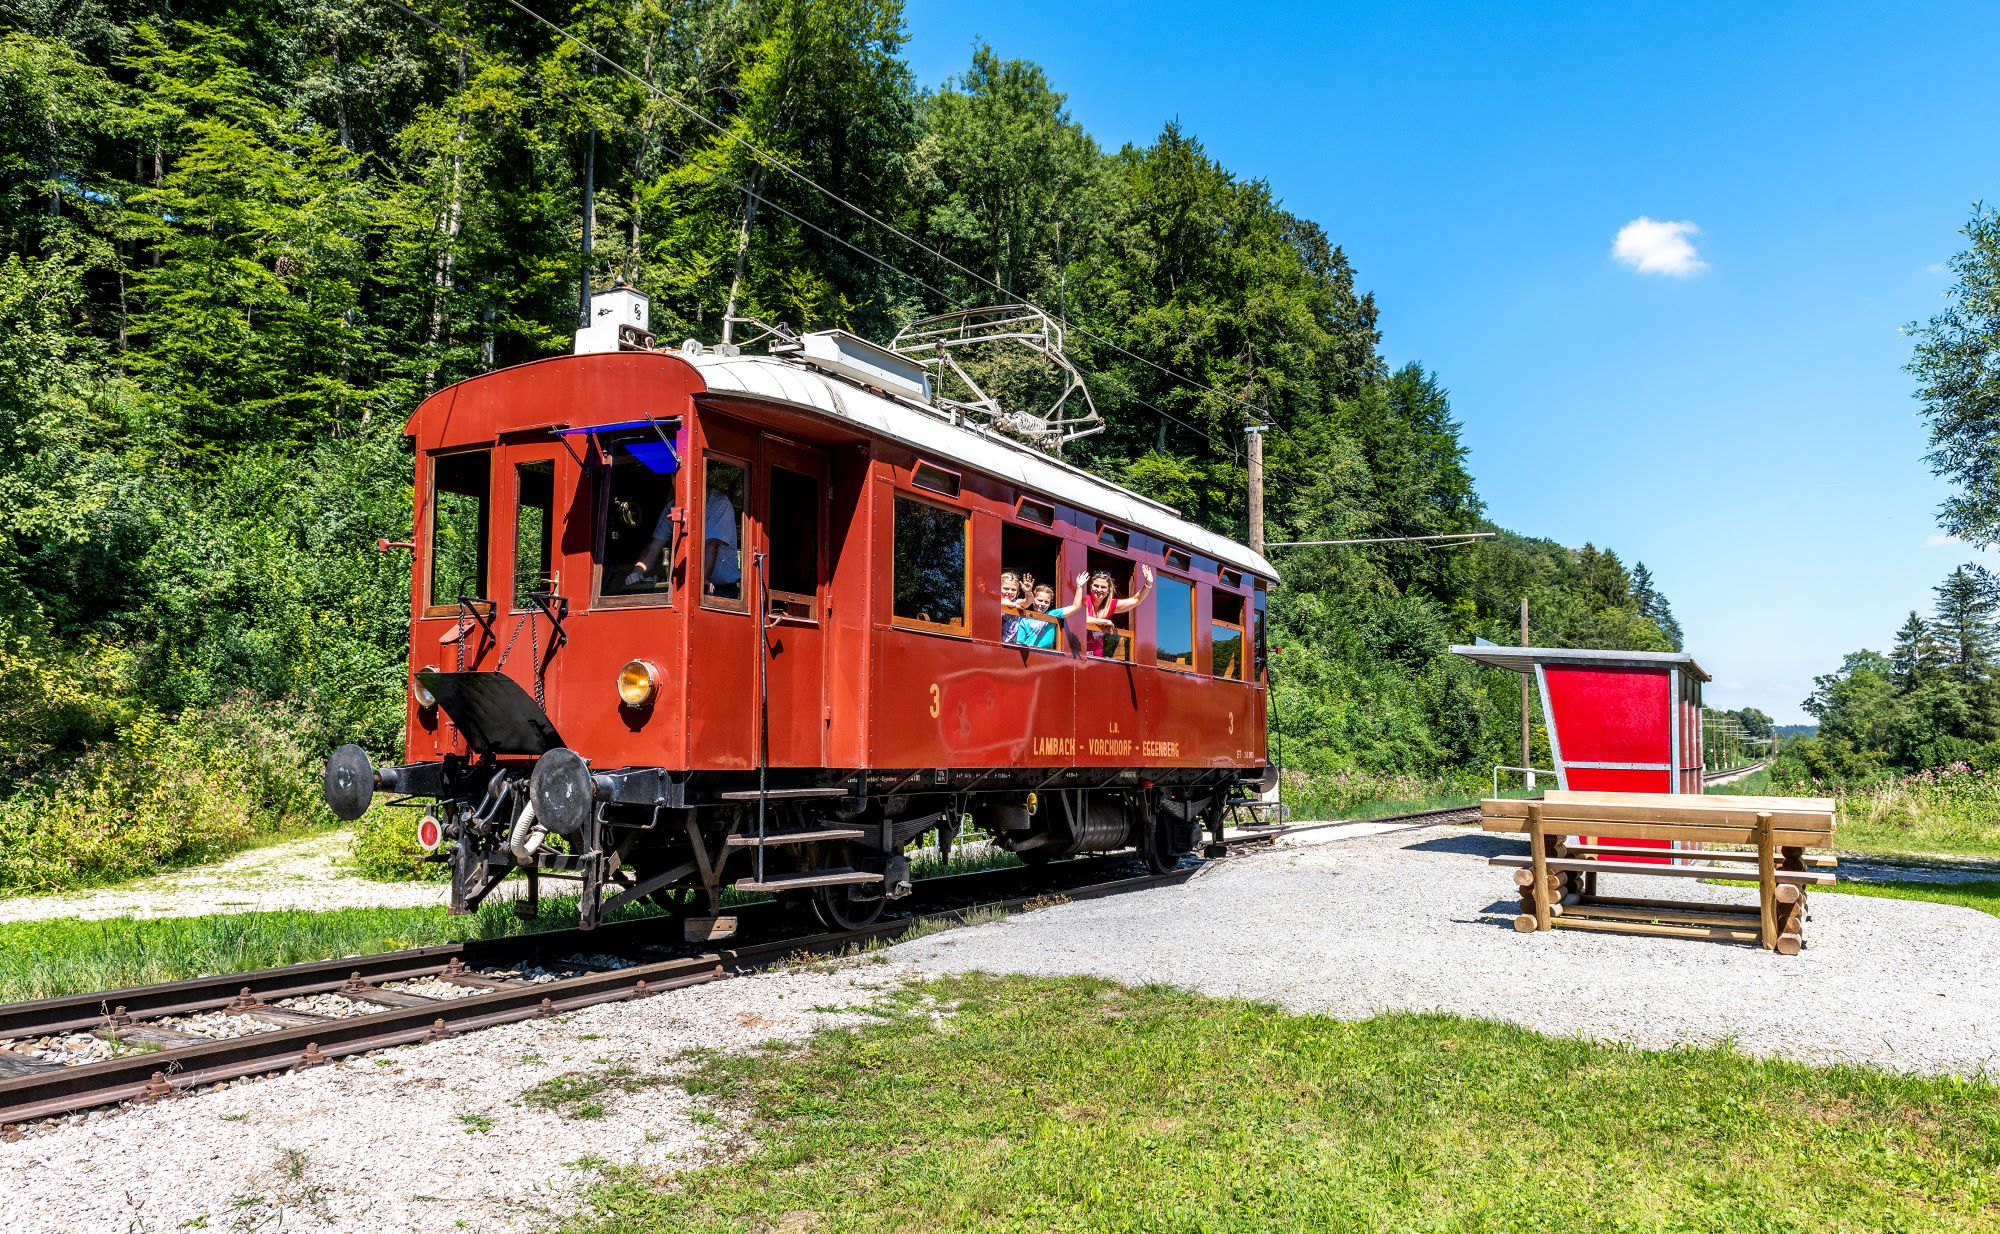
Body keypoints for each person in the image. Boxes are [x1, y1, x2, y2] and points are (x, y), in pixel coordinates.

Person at [1078, 563, 1154, 658]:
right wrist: (1104, 621)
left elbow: (1136, 600)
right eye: (1096, 586)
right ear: (1090, 586)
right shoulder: (1084, 600)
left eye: (1103, 587)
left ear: (1109, 589)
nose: (1099, 589)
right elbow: (1082, 619)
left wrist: (1148, 584)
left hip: (1097, 657)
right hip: (1078, 653)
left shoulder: (1109, 605)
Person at [703, 483, 742, 598]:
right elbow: (656, 544)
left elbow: (712, 544)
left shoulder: (718, 501)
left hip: (721, 590)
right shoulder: (674, 503)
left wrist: (703, 579)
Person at [1008, 582, 1070, 650]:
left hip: (1046, 653)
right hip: (1028, 652)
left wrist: (1079, 587)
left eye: (1046, 602)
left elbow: (1076, 607)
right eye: (1040, 600)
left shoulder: (1052, 614)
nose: (1043, 604)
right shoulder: (1025, 619)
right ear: (1033, 600)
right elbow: (1019, 642)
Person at [999, 570, 1024, 642]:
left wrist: (1028, 592)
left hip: (1011, 643)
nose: (1010, 592)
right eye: (1006, 588)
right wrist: (1016, 606)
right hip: (996, 641)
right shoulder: (995, 599)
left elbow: (1027, 602)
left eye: (1013, 590)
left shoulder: (1016, 601)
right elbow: (1002, 601)